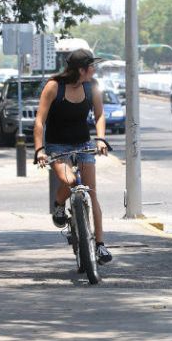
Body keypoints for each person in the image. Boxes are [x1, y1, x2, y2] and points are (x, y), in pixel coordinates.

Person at [33, 48, 113, 265]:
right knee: (70, 181)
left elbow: (99, 115)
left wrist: (101, 139)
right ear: (81, 69)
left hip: (83, 142)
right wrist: (40, 150)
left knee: (91, 192)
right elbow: (40, 120)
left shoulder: (92, 86)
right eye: (91, 66)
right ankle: (59, 204)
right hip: (57, 145)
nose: (94, 69)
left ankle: (100, 245)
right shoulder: (53, 86)